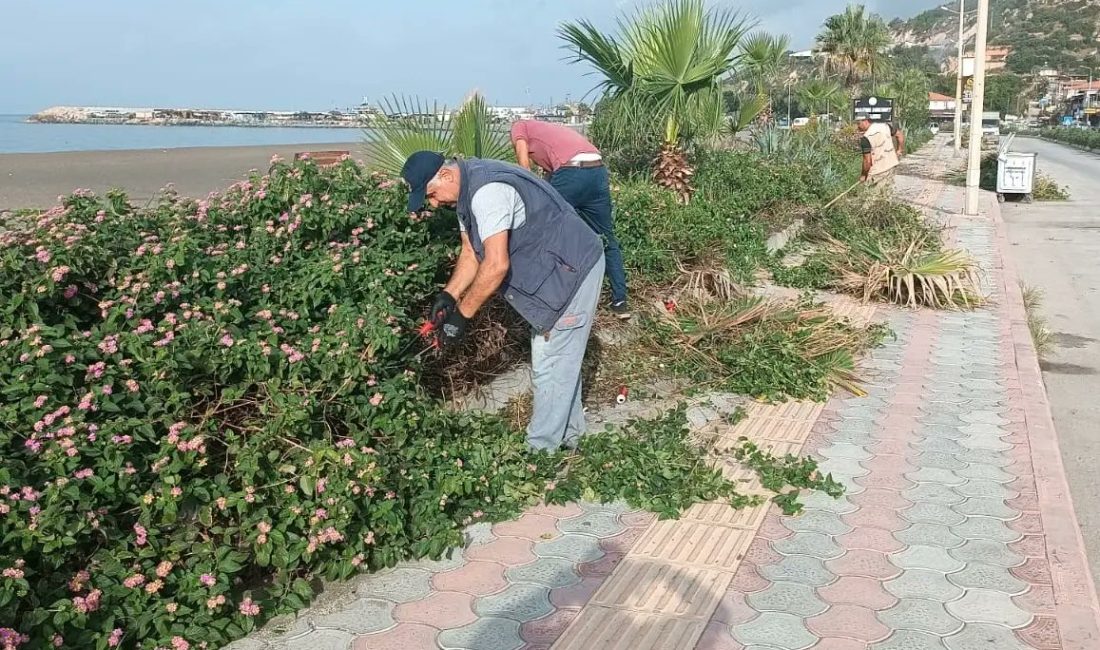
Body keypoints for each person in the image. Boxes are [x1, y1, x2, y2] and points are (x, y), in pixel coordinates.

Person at [401, 151, 605, 452]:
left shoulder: (487, 193)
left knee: (551, 362)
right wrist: (449, 295)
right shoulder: (465, 189)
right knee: (559, 361)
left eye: (431, 194)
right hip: (556, 269)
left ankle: (541, 453)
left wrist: (462, 316)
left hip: (572, 270)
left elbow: (496, 265)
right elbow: (471, 252)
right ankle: (572, 438)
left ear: (446, 176)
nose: (433, 203)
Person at [510, 120, 630, 319]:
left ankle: (546, 300)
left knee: (545, 235)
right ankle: (620, 301)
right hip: (597, 170)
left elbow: (524, 166)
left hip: (571, 171)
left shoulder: (519, 126)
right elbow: (551, 178)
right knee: (607, 238)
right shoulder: (552, 132)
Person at [857, 117, 905, 189]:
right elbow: (899, 135)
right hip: (890, 166)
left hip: (877, 172)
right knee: (887, 192)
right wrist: (899, 150)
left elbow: (867, 161)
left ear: (865, 121)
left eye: (858, 123)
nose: (858, 127)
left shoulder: (866, 138)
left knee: (874, 197)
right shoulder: (885, 126)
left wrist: (863, 175)